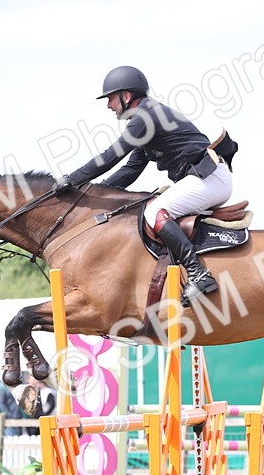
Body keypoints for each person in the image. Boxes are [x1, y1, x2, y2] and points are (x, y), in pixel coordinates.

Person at [55, 65, 237, 300]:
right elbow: (131, 169)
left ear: (126, 96)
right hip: (206, 179)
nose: (108, 105)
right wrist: (92, 193)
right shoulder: (148, 118)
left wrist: (73, 180)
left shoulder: (145, 117)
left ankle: (199, 274)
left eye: (110, 98)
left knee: (155, 211)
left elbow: (112, 155)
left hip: (210, 179)